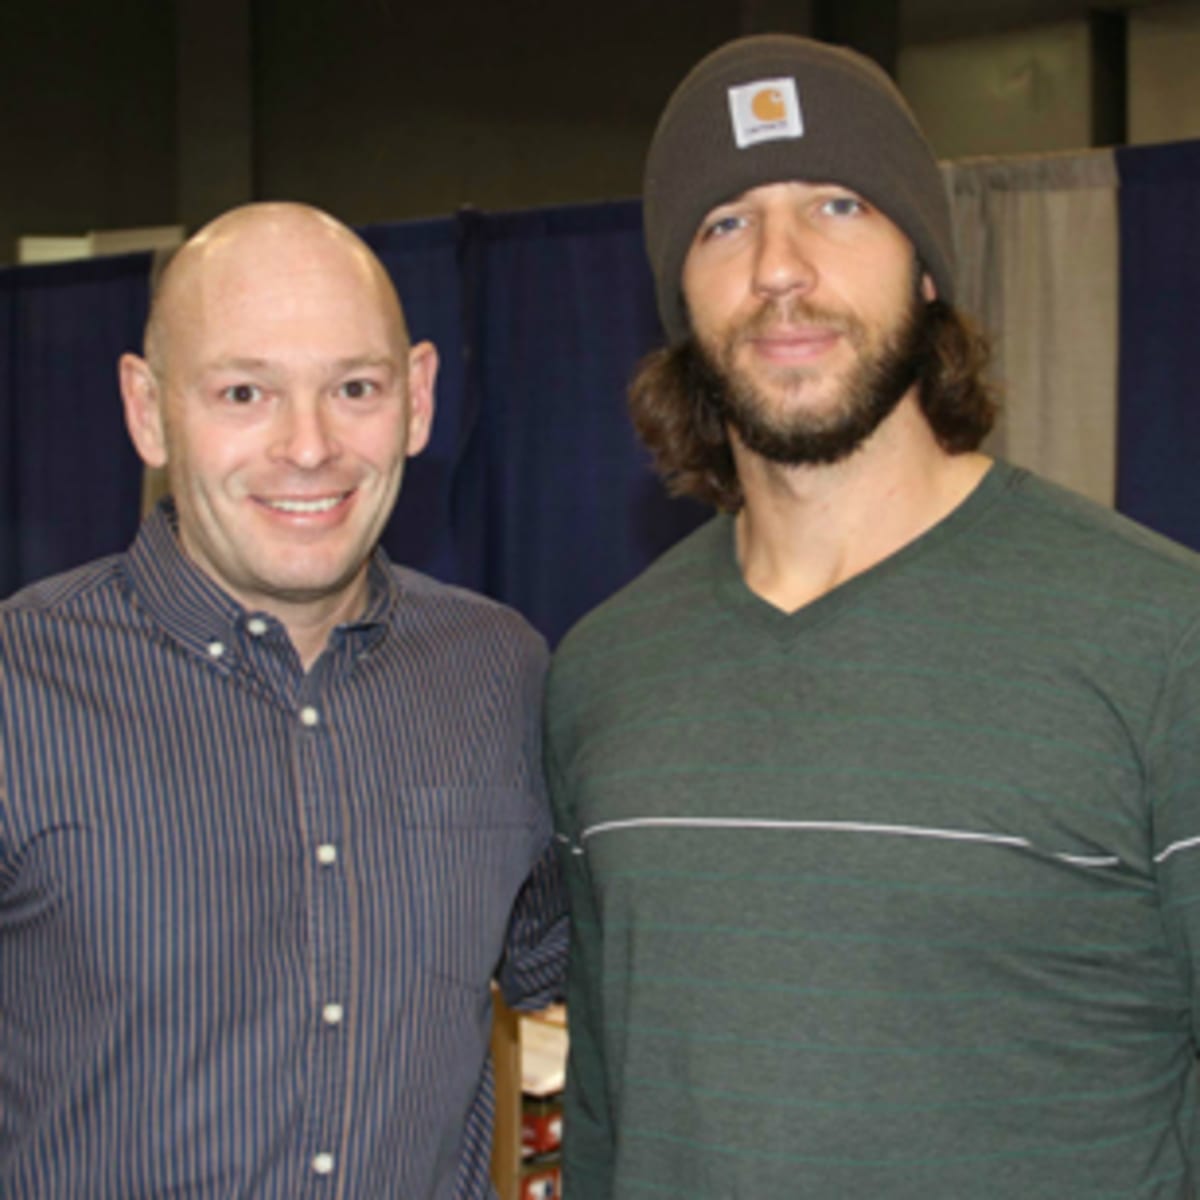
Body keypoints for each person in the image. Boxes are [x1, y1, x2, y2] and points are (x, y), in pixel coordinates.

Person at [545, 33, 1200, 1199]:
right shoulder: (604, 674)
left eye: (838, 205)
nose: (781, 268)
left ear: (928, 269)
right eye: (725, 223)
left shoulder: (1162, 637)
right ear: (680, 300)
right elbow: (604, 1116)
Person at [0, 202, 566, 1196]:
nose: (308, 447)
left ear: (420, 397)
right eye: (244, 391)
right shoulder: (18, 685)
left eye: (354, 387)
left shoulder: (502, 676)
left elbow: (578, 982)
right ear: (147, 410)